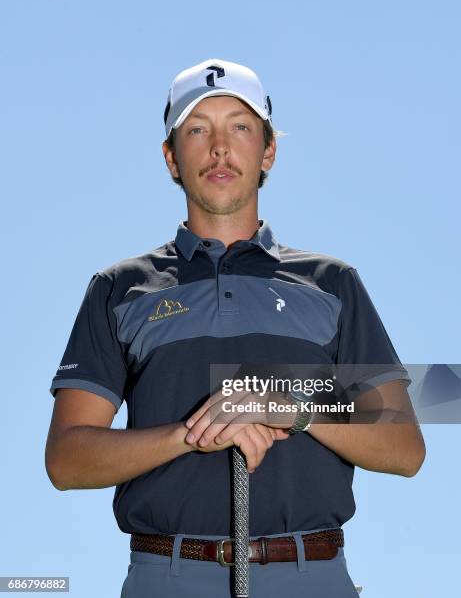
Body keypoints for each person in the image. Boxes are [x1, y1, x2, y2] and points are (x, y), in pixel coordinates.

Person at [45, 58, 426, 598]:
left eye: (240, 127)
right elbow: (66, 460)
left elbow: (404, 445)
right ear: (171, 158)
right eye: (197, 130)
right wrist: (193, 433)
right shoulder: (119, 287)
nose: (220, 148)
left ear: (268, 150)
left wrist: (288, 406)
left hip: (311, 575)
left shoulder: (333, 283)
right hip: (166, 576)